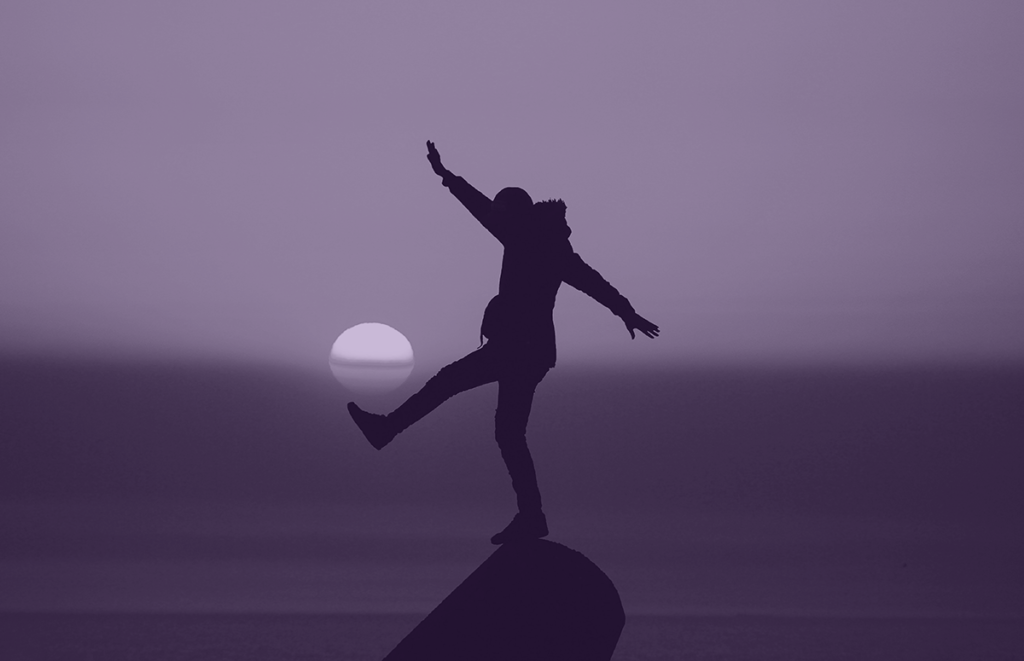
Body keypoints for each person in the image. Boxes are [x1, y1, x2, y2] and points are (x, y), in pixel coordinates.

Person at [348, 141, 659, 544]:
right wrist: (446, 177)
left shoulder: (531, 239)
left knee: (450, 384)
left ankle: (387, 430)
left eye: (501, 216)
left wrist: (626, 311)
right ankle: (531, 516)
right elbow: (590, 279)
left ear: (513, 216)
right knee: (508, 432)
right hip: (530, 353)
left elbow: (590, 281)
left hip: (518, 349)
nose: (496, 222)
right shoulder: (543, 240)